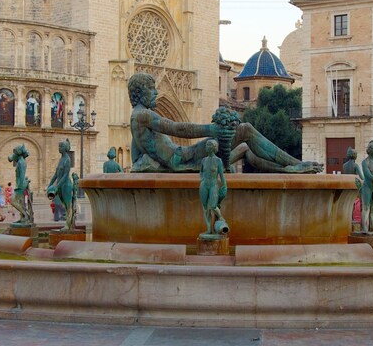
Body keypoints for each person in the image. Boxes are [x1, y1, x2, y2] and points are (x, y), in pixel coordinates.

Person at [128, 72, 322, 173]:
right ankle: (296, 164)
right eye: (151, 88)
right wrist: (213, 129)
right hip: (185, 159)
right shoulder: (144, 115)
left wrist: (141, 164)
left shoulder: (137, 118)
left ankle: (286, 169)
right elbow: (177, 128)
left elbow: (136, 153)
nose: (156, 92)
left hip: (183, 158)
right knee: (245, 129)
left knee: (245, 147)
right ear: (140, 92)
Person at [198, 139, 228, 235]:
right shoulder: (203, 160)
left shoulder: (218, 161)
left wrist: (224, 186)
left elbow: (221, 175)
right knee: (205, 208)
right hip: (204, 185)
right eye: (206, 145)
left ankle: (220, 217)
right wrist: (202, 179)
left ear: (213, 148)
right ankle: (209, 229)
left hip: (213, 185)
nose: (206, 147)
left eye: (208, 145)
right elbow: (201, 171)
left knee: (213, 206)